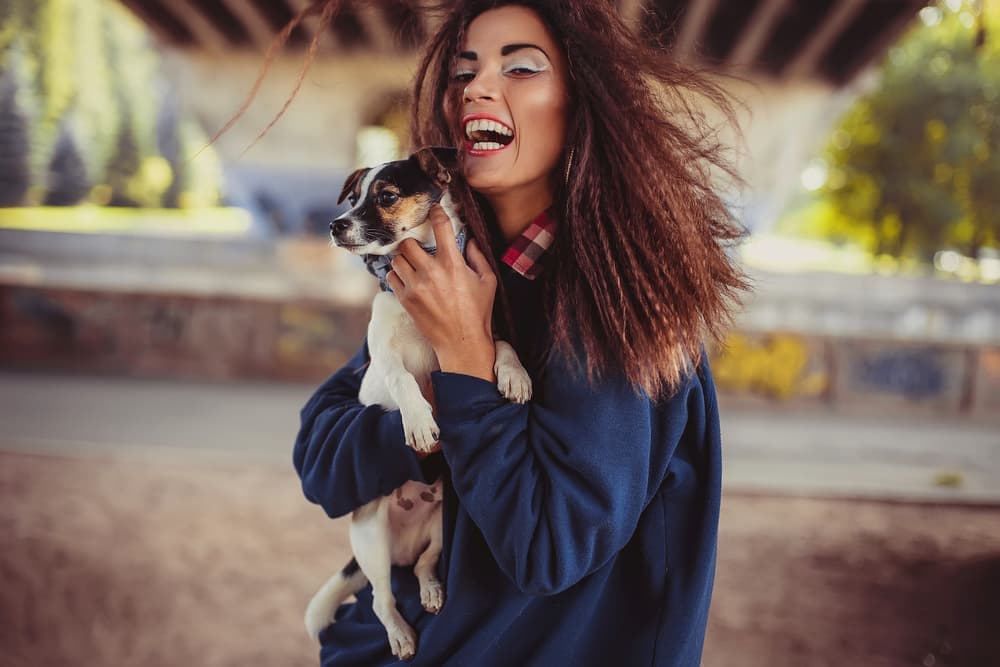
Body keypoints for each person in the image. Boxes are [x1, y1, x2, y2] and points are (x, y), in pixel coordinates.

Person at [292, 1, 748, 665]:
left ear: (582, 102)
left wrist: (467, 359)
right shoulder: (448, 275)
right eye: (462, 72)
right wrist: (421, 419)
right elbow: (321, 459)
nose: (475, 87)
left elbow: (548, 548)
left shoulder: (624, 302)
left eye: (521, 67)